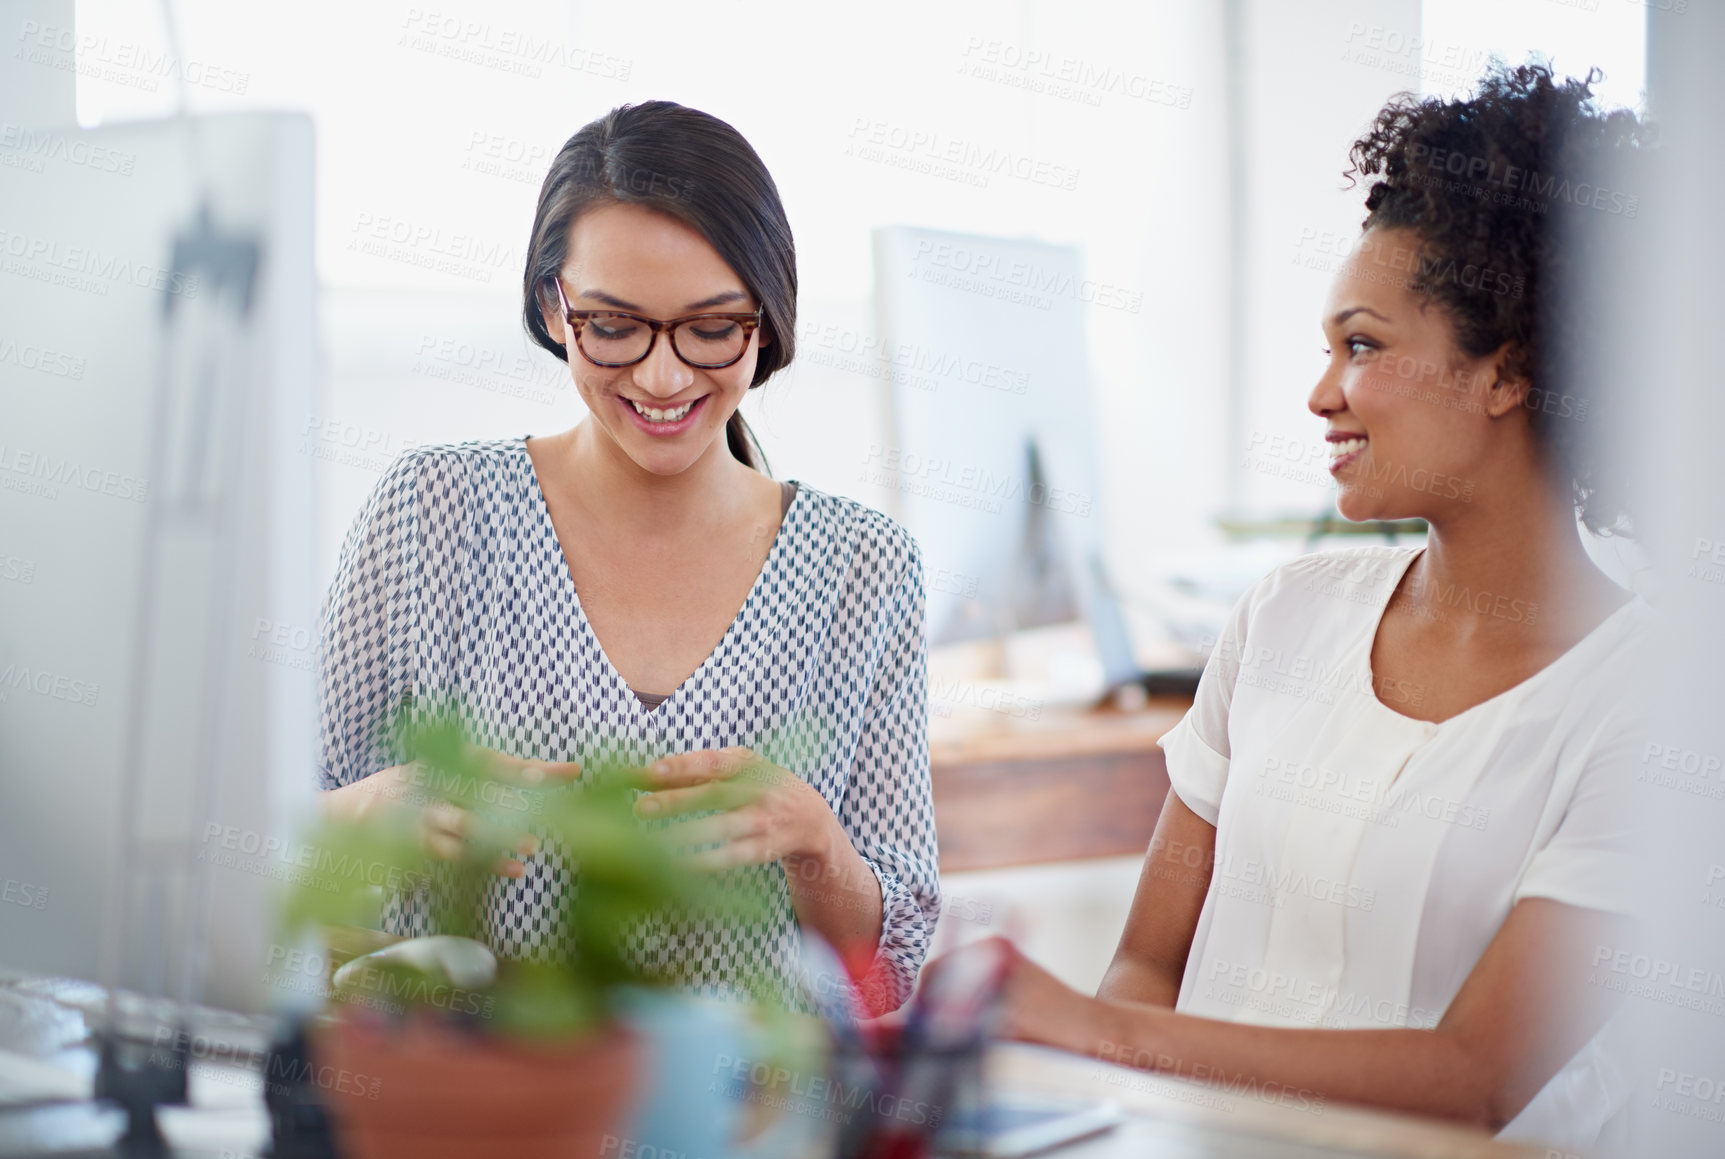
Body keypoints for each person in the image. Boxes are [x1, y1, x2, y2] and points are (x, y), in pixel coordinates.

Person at [991, 64, 1652, 1149]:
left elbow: (1477, 1076)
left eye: (1364, 345)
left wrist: (1103, 1035)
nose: (1321, 393)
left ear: (1507, 373)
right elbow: (1148, 962)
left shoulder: (1656, 700)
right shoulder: (1284, 616)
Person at [315, 101, 939, 1016]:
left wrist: (815, 843)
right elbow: (263, 847)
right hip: (465, 1094)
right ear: (550, 306)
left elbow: (891, 963)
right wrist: (370, 815)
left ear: (764, 320)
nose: (660, 376)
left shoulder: (863, 567)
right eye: (613, 327)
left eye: (710, 327)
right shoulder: (431, 512)